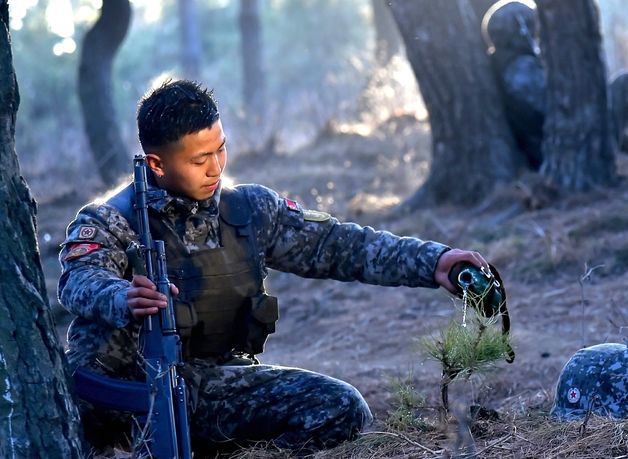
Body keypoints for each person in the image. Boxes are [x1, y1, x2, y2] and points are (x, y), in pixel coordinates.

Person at [58, 79, 491, 455]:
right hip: (121, 396)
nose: (215, 168)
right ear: (156, 163)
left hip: (206, 385)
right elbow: (79, 279)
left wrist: (432, 261)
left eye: (220, 149)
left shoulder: (248, 209)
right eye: (198, 160)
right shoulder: (108, 220)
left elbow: (338, 245)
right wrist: (123, 298)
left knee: (341, 408)